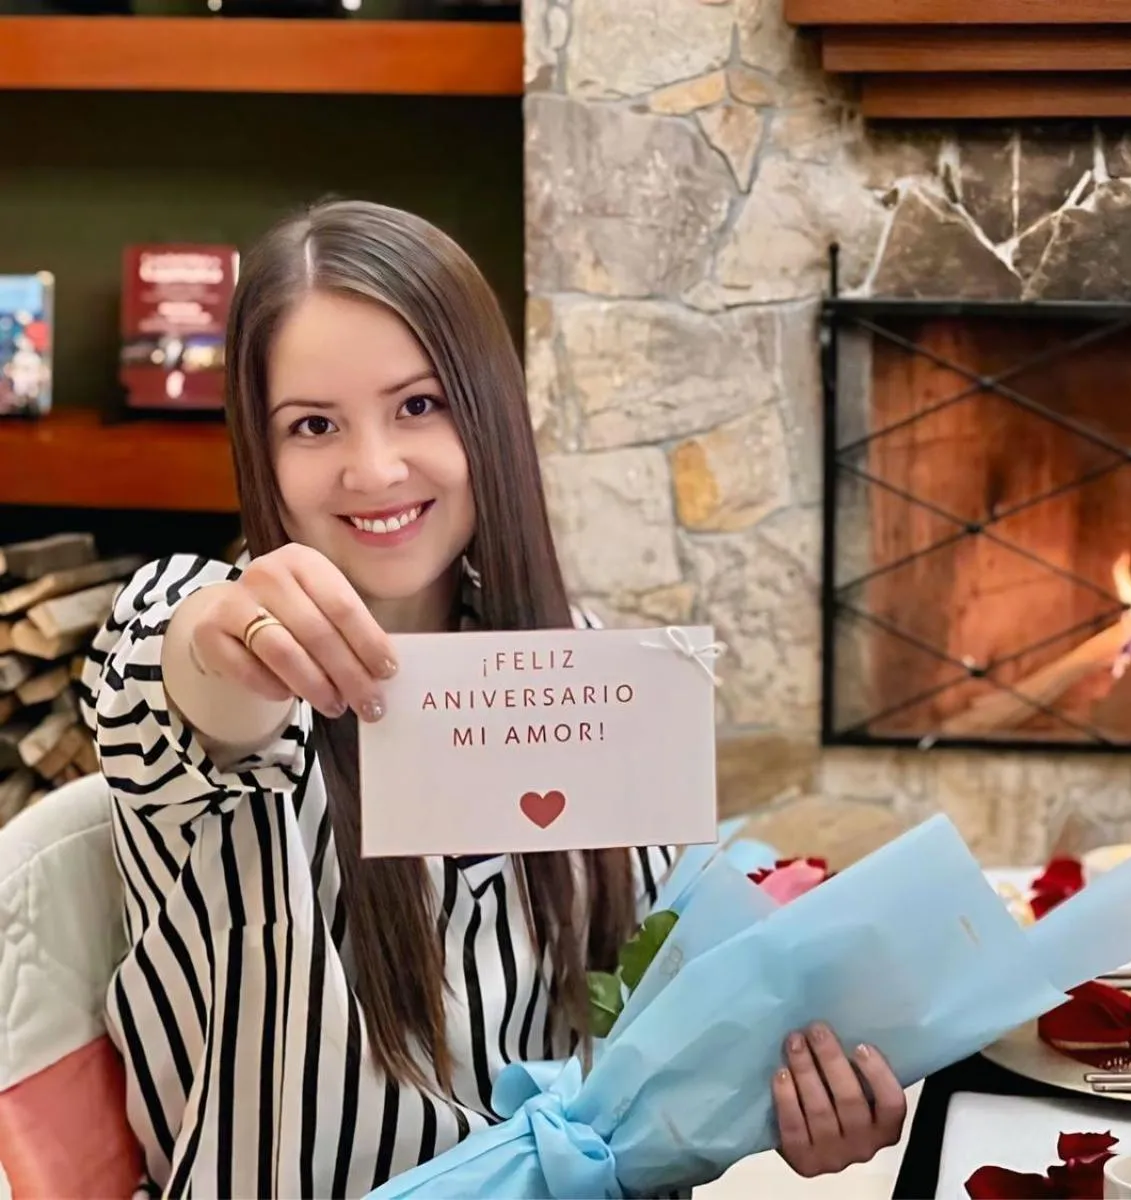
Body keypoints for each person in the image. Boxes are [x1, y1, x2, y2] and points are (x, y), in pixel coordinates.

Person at [81, 199, 907, 1198]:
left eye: (419, 405)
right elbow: (189, 670)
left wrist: (784, 1102)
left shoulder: (595, 673)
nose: (374, 466)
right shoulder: (197, 625)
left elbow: (653, 1042)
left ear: (489, 410)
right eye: (313, 425)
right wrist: (232, 638)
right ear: (260, 449)